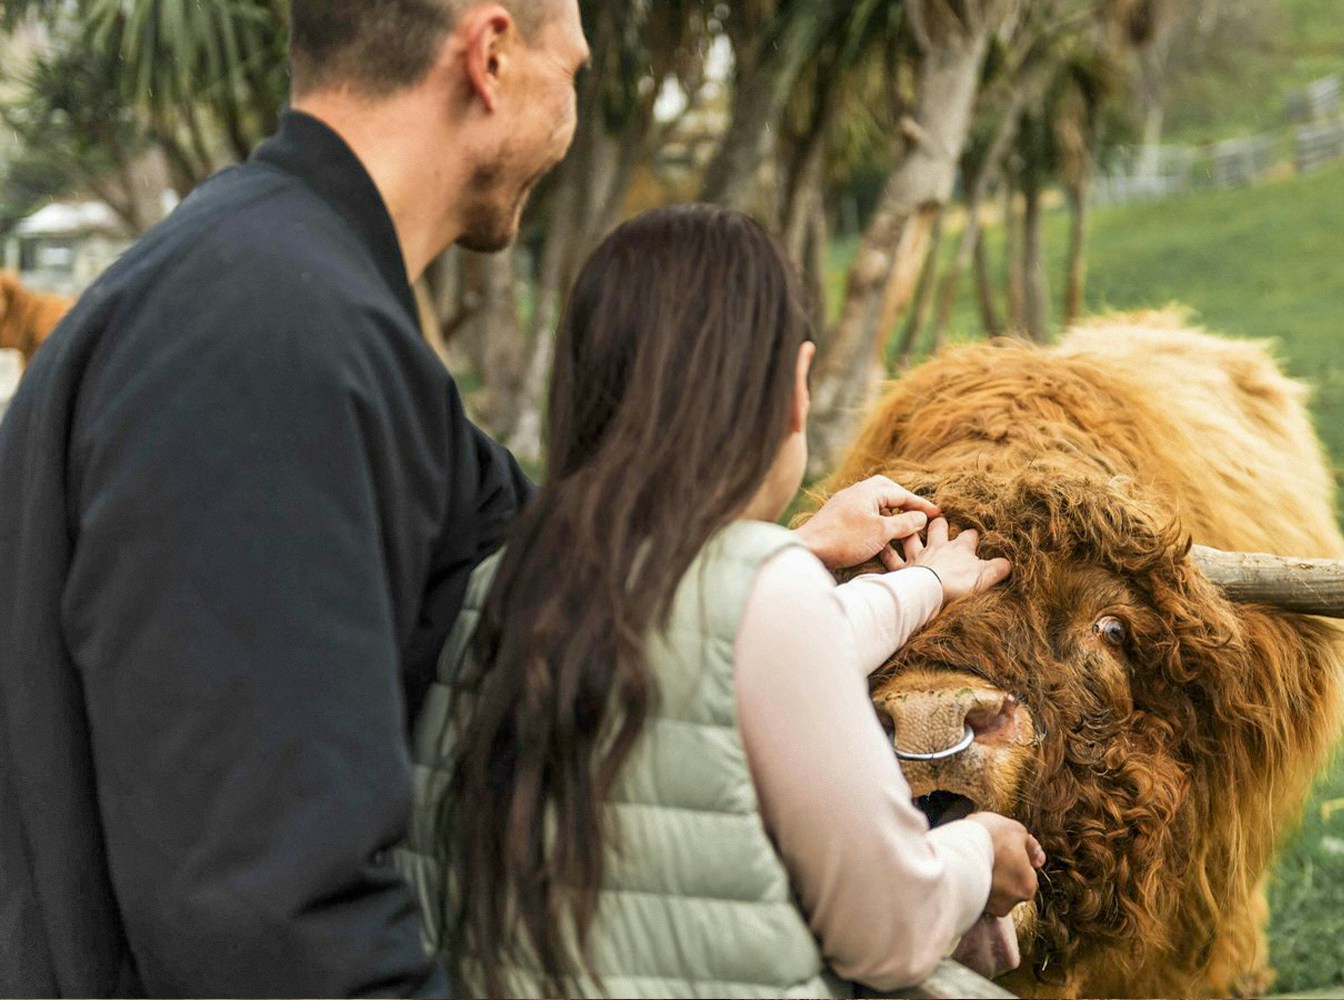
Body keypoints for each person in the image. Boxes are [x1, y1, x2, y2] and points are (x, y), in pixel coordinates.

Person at [0, 1, 585, 994]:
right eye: (572, 70)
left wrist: (768, 565)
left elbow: (536, 544)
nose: (574, 104)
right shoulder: (273, 338)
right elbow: (267, 923)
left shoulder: (281, 279)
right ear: (490, 56)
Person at [415, 205, 1044, 998]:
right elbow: (893, 930)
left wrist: (919, 585)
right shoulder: (764, 594)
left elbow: (721, 650)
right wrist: (979, 851)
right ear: (794, 389)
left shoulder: (494, 580)